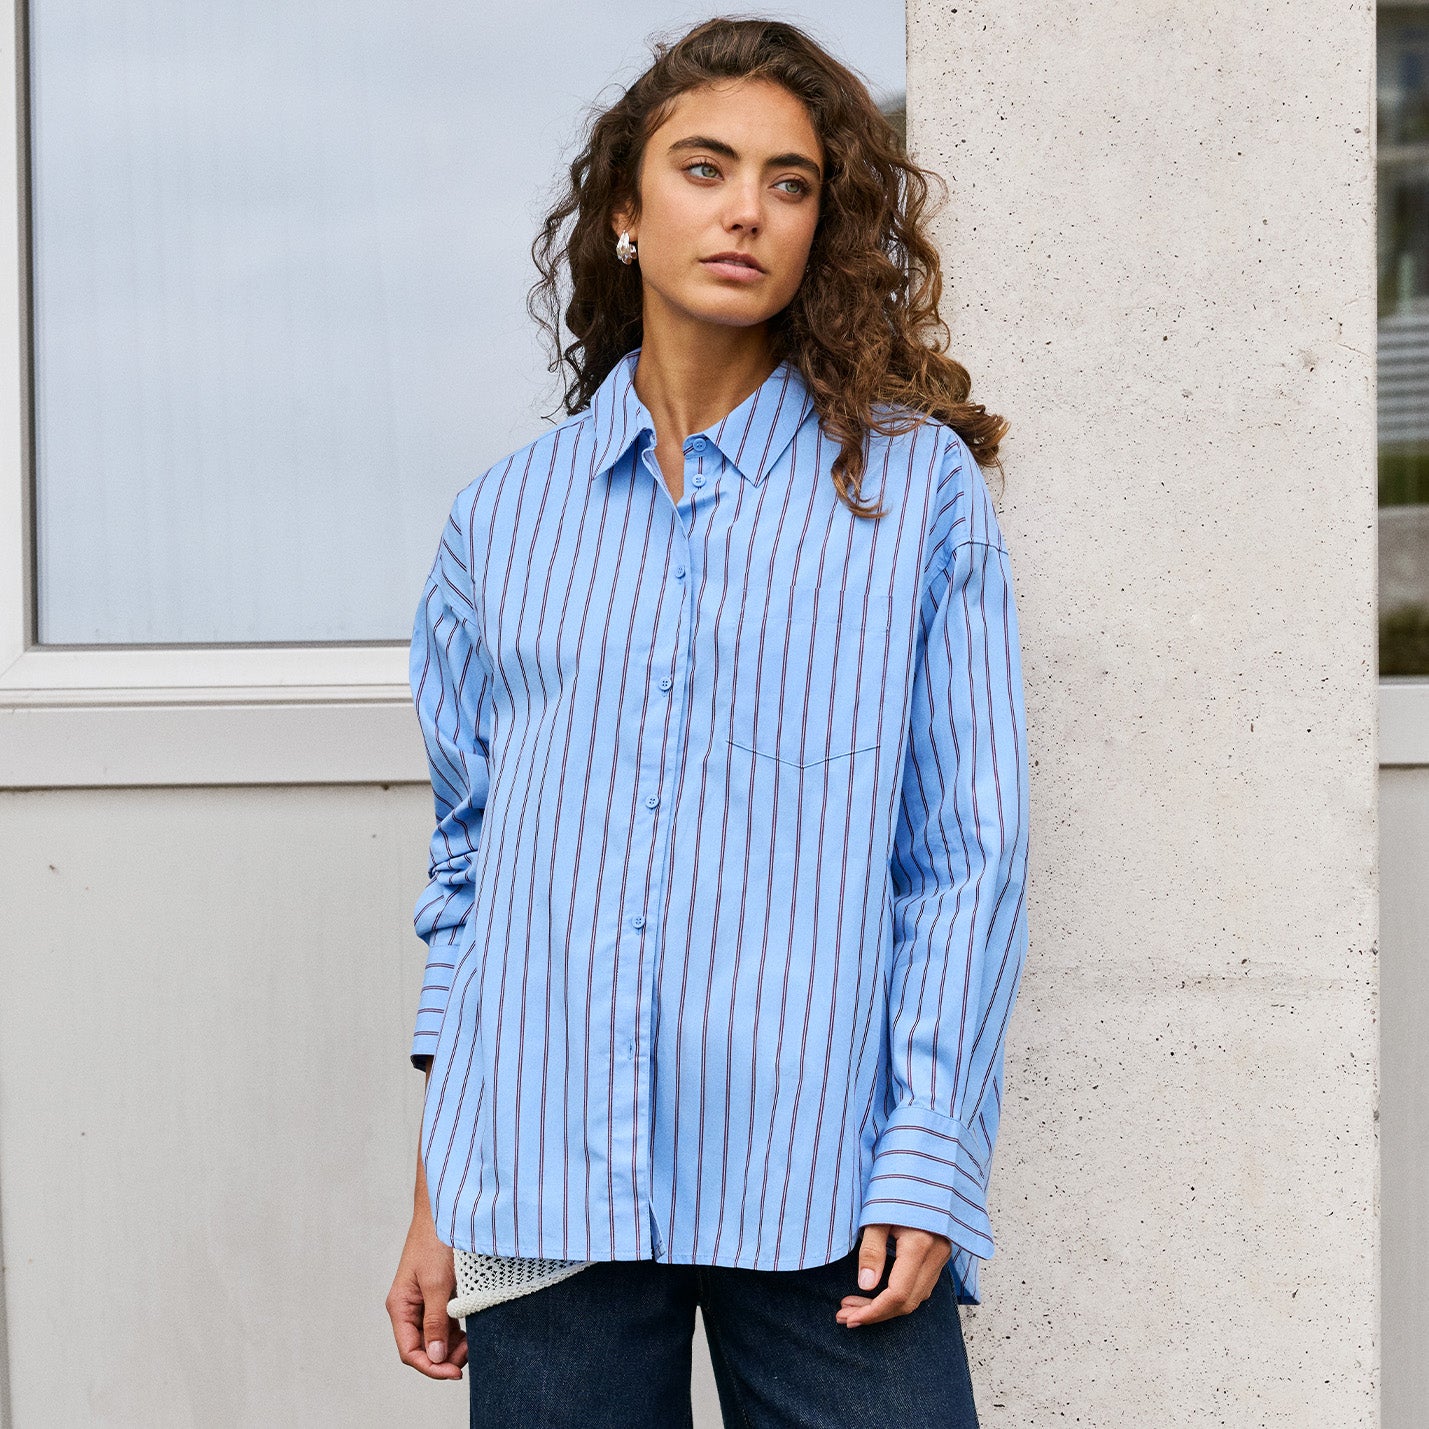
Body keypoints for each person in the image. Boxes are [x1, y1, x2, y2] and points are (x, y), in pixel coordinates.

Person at [386, 16, 1030, 1428]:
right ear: (625, 210)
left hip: (824, 1185)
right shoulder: (503, 522)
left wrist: (930, 1151)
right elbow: (473, 880)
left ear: (820, 231)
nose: (746, 209)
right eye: (705, 167)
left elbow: (964, 859)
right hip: (539, 1181)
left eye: (790, 184)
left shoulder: (912, 494)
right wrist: (441, 1191)